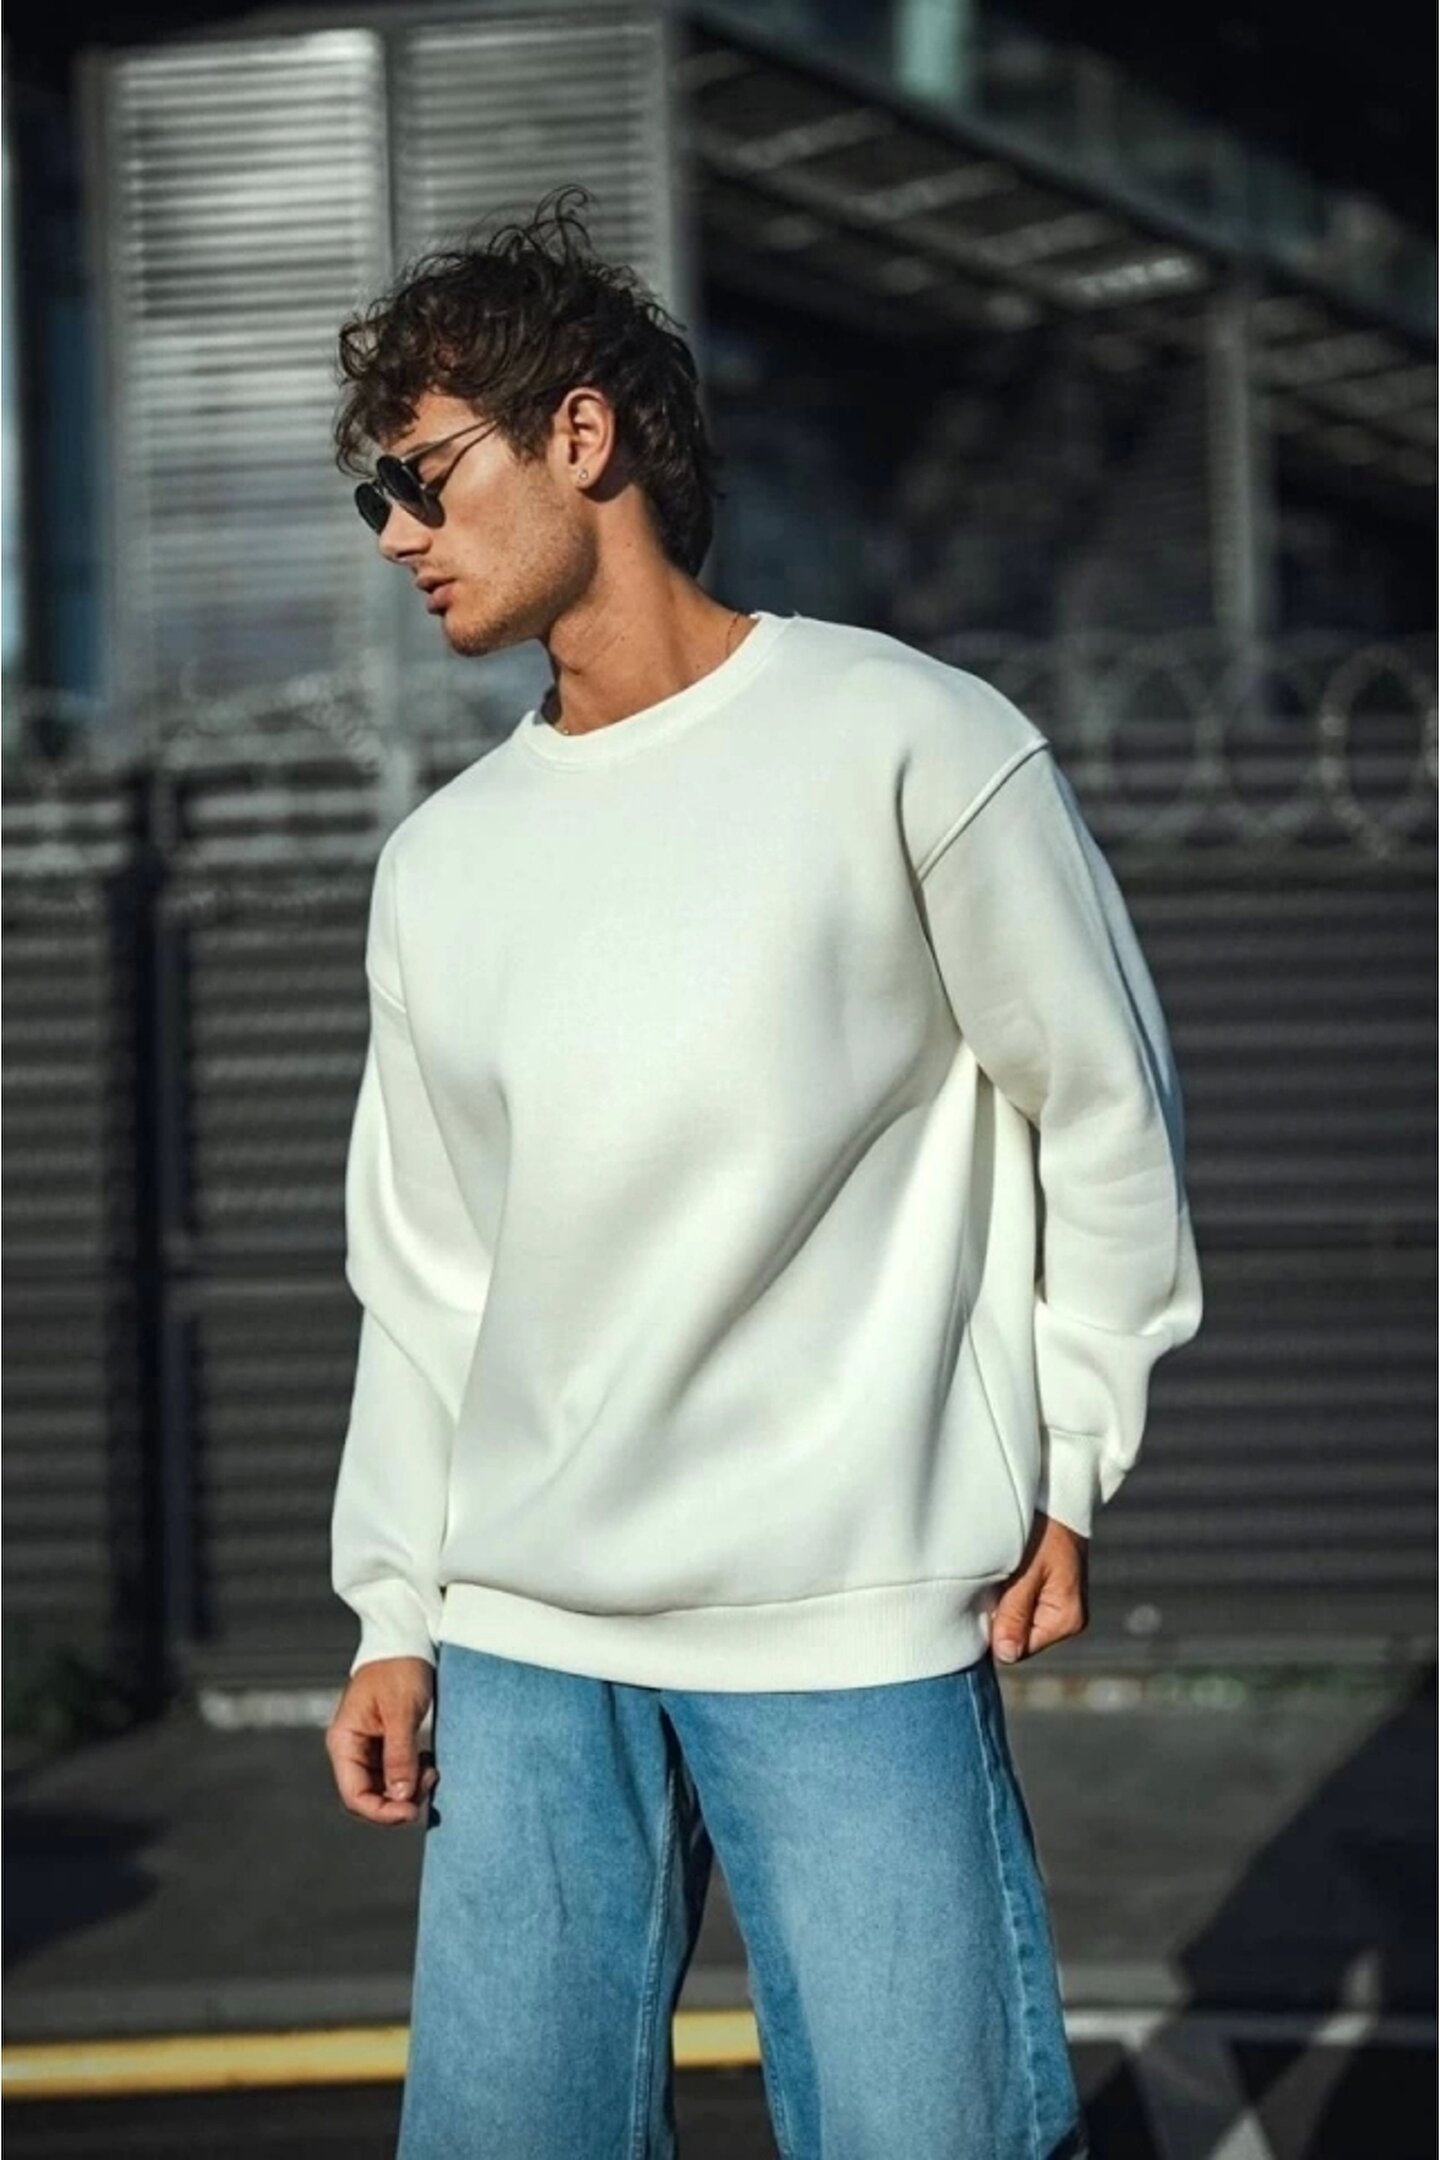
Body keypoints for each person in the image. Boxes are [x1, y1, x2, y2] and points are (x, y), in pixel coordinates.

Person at [323, 184, 1201, 2160]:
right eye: (375, 493)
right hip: (525, 1637)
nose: (393, 533)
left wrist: (1071, 1449)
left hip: (849, 1619)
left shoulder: (910, 743)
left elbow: (1103, 1108)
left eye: (422, 474)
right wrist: (393, 1606)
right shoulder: (442, 865)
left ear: (582, 434)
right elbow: (431, 1272)